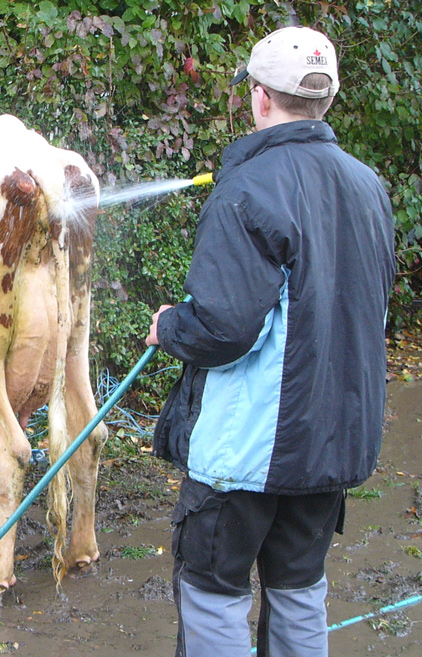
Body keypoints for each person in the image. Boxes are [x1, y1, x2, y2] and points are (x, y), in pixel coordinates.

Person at [145, 25, 395, 657]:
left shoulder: (248, 188)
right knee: (299, 588)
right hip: (330, 447)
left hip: (246, 453)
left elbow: (225, 329)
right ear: (326, 100)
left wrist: (169, 324)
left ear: (260, 98)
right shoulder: (370, 188)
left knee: (212, 591)